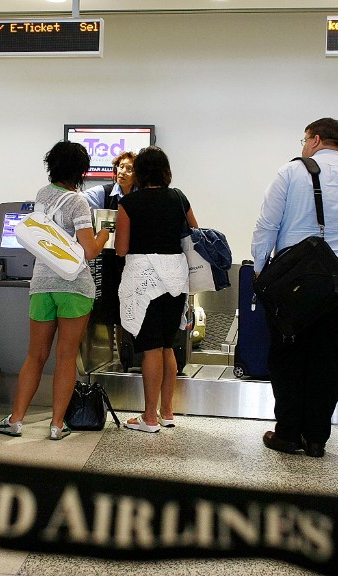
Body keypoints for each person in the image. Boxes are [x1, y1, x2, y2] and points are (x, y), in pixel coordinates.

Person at [251, 118, 338, 457]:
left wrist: (259, 270)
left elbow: (266, 225)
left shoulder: (291, 172)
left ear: (315, 140)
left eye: (304, 140)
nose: (302, 146)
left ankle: (287, 433)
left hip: (299, 274)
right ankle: (316, 438)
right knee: (331, 357)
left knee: (289, 354)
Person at [0, 141, 110, 440]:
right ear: (81, 171)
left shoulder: (42, 195)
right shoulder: (78, 202)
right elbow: (89, 251)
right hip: (73, 286)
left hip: (42, 284)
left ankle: (16, 420)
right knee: (66, 356)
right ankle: (57, 425)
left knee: (35, 355)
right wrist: (105, 234)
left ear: (52, 166)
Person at [115, 146, 198, 433]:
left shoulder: (129, 204)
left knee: (150, 348)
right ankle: (167, 411)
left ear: (139, 172)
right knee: (167, 345)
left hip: (145, 280)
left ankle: (149, 417)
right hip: (176, 278)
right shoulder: (179, 198)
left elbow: (122, 248)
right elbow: (194, 235)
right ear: (165, 171)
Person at [82, 152, 137, 349]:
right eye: (120, 167)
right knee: (106, 307)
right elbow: (78, 202)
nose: (122, 172)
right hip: (107, 261)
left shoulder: (141, 197)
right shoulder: (103, 193)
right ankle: (107, 352)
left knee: (130, 309)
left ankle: (127, 352)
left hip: (133, 261)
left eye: (129, 169)